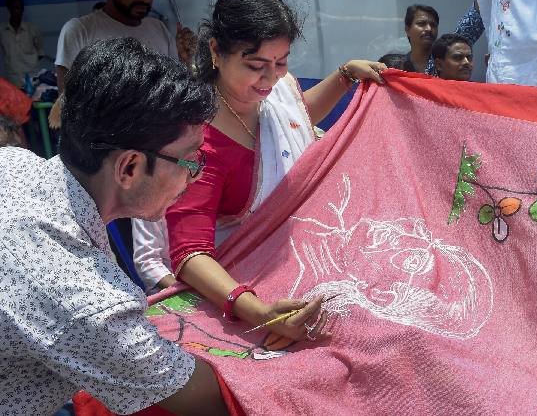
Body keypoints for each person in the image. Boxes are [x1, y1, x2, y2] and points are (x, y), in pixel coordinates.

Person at [0, 37, 314, 415]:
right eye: (190, 161)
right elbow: (211, 400)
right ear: (130, 167)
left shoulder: (13, 163)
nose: (196, 176)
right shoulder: (87, 304)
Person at [134, 0, 384, 341]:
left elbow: (296, 119)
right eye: (255, 66)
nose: (271, 78)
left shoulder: (273, 96)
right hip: (248, 285)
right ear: (216, 51)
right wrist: (260, 313)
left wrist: (344, 76)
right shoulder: (198, 143)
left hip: (311, 263)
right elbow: (191, 254)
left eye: (281, 62)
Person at [50, 0, 198, 128]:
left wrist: (185, 61)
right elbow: (67, 107)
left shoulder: (158, 28)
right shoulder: (79, 31)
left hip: (160, 135)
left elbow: (178, 91)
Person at [383, 1, 484, 75]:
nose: (429, 29)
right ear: (407, 29)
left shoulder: (445, 62)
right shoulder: (395, 66)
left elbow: (471, 22)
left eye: (433, 25)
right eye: (421, 24)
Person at [0, 0, 44, 87]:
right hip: (13, 77)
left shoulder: (32, 29)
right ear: (9, 9)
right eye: (16, 8)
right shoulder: (2, 30)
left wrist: (30, 62)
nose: (19, 11)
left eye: (21, 8)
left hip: (32, 75)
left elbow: (40, 51)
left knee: (35, 95)